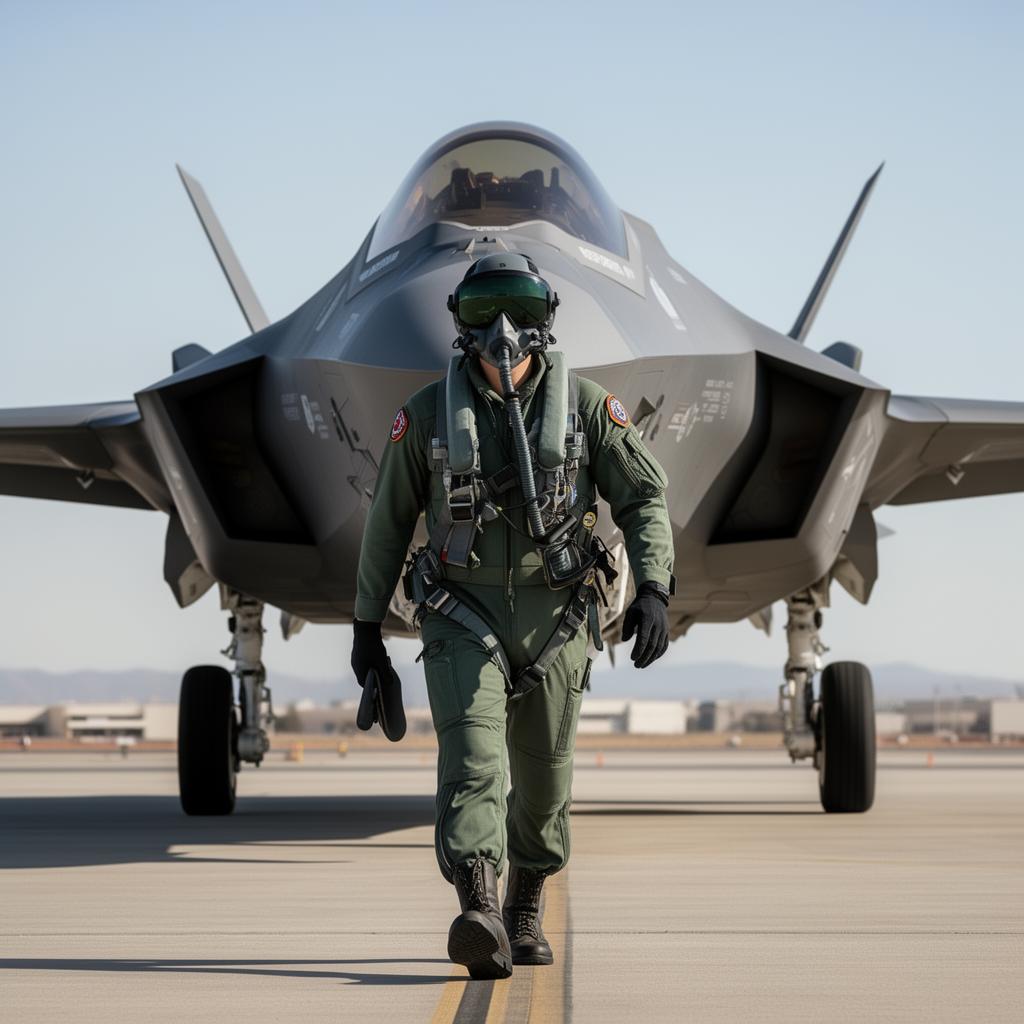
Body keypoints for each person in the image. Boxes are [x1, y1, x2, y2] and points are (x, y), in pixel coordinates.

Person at [351, 253, 674, 979]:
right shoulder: (426, 416)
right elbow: (387, 523)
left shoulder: (588, 409)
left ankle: (524, 906)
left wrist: (654, 585)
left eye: (522, 309)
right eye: (483, 310)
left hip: (557, 618)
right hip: (459, 613)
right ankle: (479, 909)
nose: (504, 328)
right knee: (473, 762)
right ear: (460, 325)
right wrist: (367, 628)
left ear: (546, 320)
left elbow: (643, 498)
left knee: (545, 778)